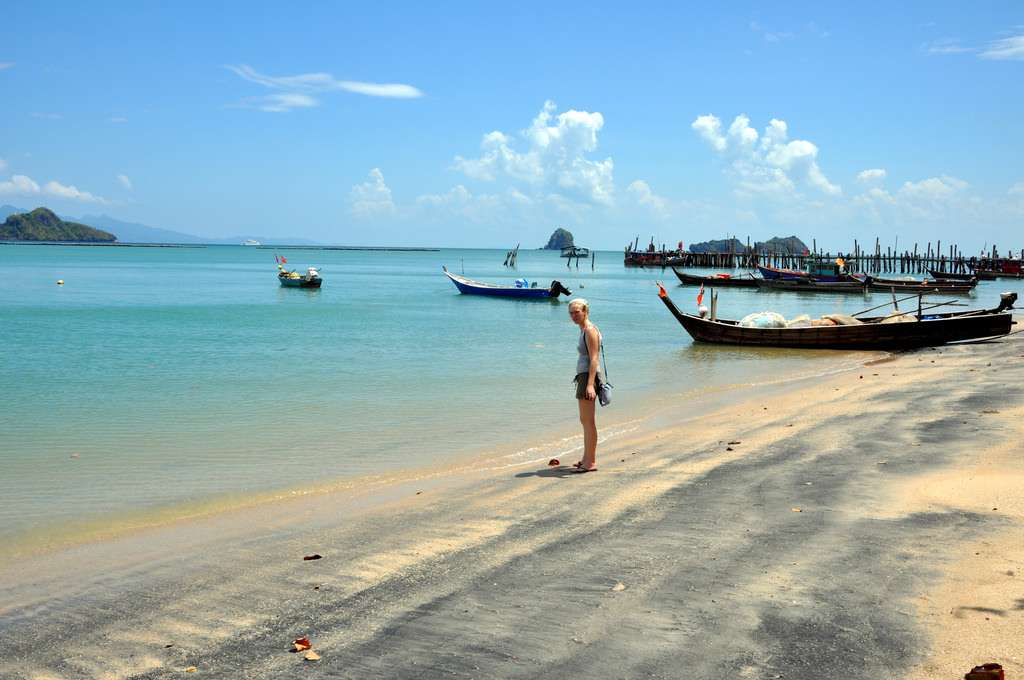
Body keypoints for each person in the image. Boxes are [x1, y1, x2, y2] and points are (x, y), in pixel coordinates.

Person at [568, 298, 601, 472]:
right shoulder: (583, 330)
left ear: (585, 311)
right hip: (584, 376)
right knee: (585, 420)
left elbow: (594, 358)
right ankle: (586, 458)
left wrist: (590, 384)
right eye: (571, 313)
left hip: (589, 377)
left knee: (588, 421)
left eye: (577, 312)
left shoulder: (589, 330)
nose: (574, 315)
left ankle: (591, 462)